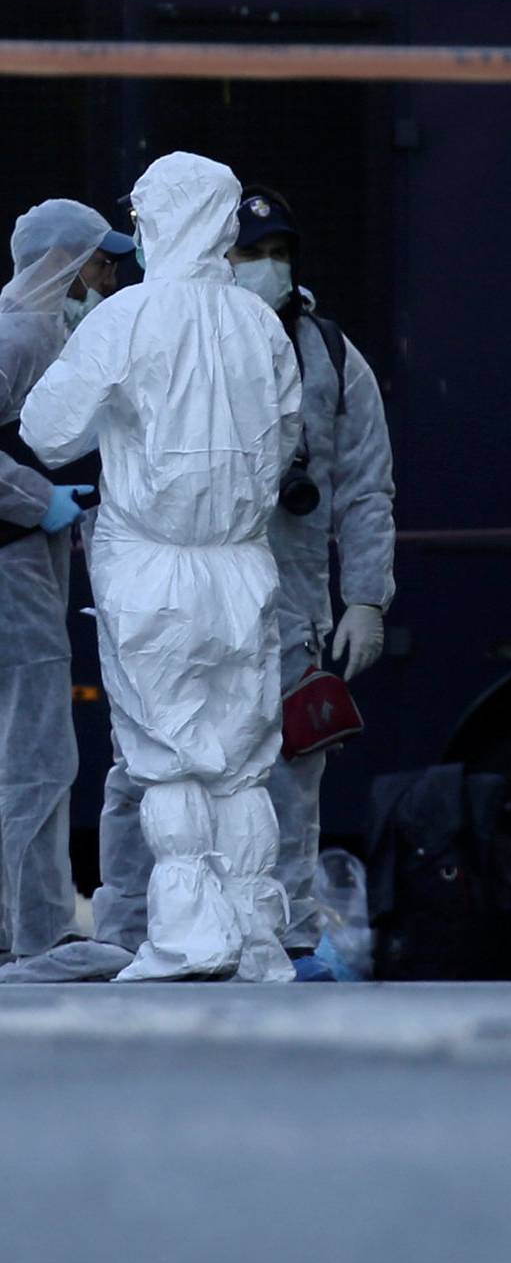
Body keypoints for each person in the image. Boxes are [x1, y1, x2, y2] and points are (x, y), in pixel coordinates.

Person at [90, 187, 395, 981]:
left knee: (282, 778)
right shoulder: (161, 332)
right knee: (147, 771)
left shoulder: (330, 354)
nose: (266, 267)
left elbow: (364, 486)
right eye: (248, 253)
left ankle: (279, 936)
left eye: (278, 252)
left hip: (283, 603)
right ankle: (130, 929)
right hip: (176, 588)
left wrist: (366, 595)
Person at [21, 152, 303, 983]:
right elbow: (286, 439)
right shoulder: (260, 324)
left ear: (157, 222)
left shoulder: (125, 319)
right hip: (244, 567)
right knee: (244, 758)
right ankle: (254, 935)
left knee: (169, 754)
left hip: (151, 566)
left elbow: (46, 431)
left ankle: (189, 934)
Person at [0, 201, 132, 978]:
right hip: (13, 566)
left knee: (29, 752)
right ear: (61, 264)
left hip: (28, 563)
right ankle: (33, 933)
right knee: (36, 756)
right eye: (97, 261)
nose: (108, 275)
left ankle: (30, 924)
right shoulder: (22, 335)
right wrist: (35, 500)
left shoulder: (38, 333)